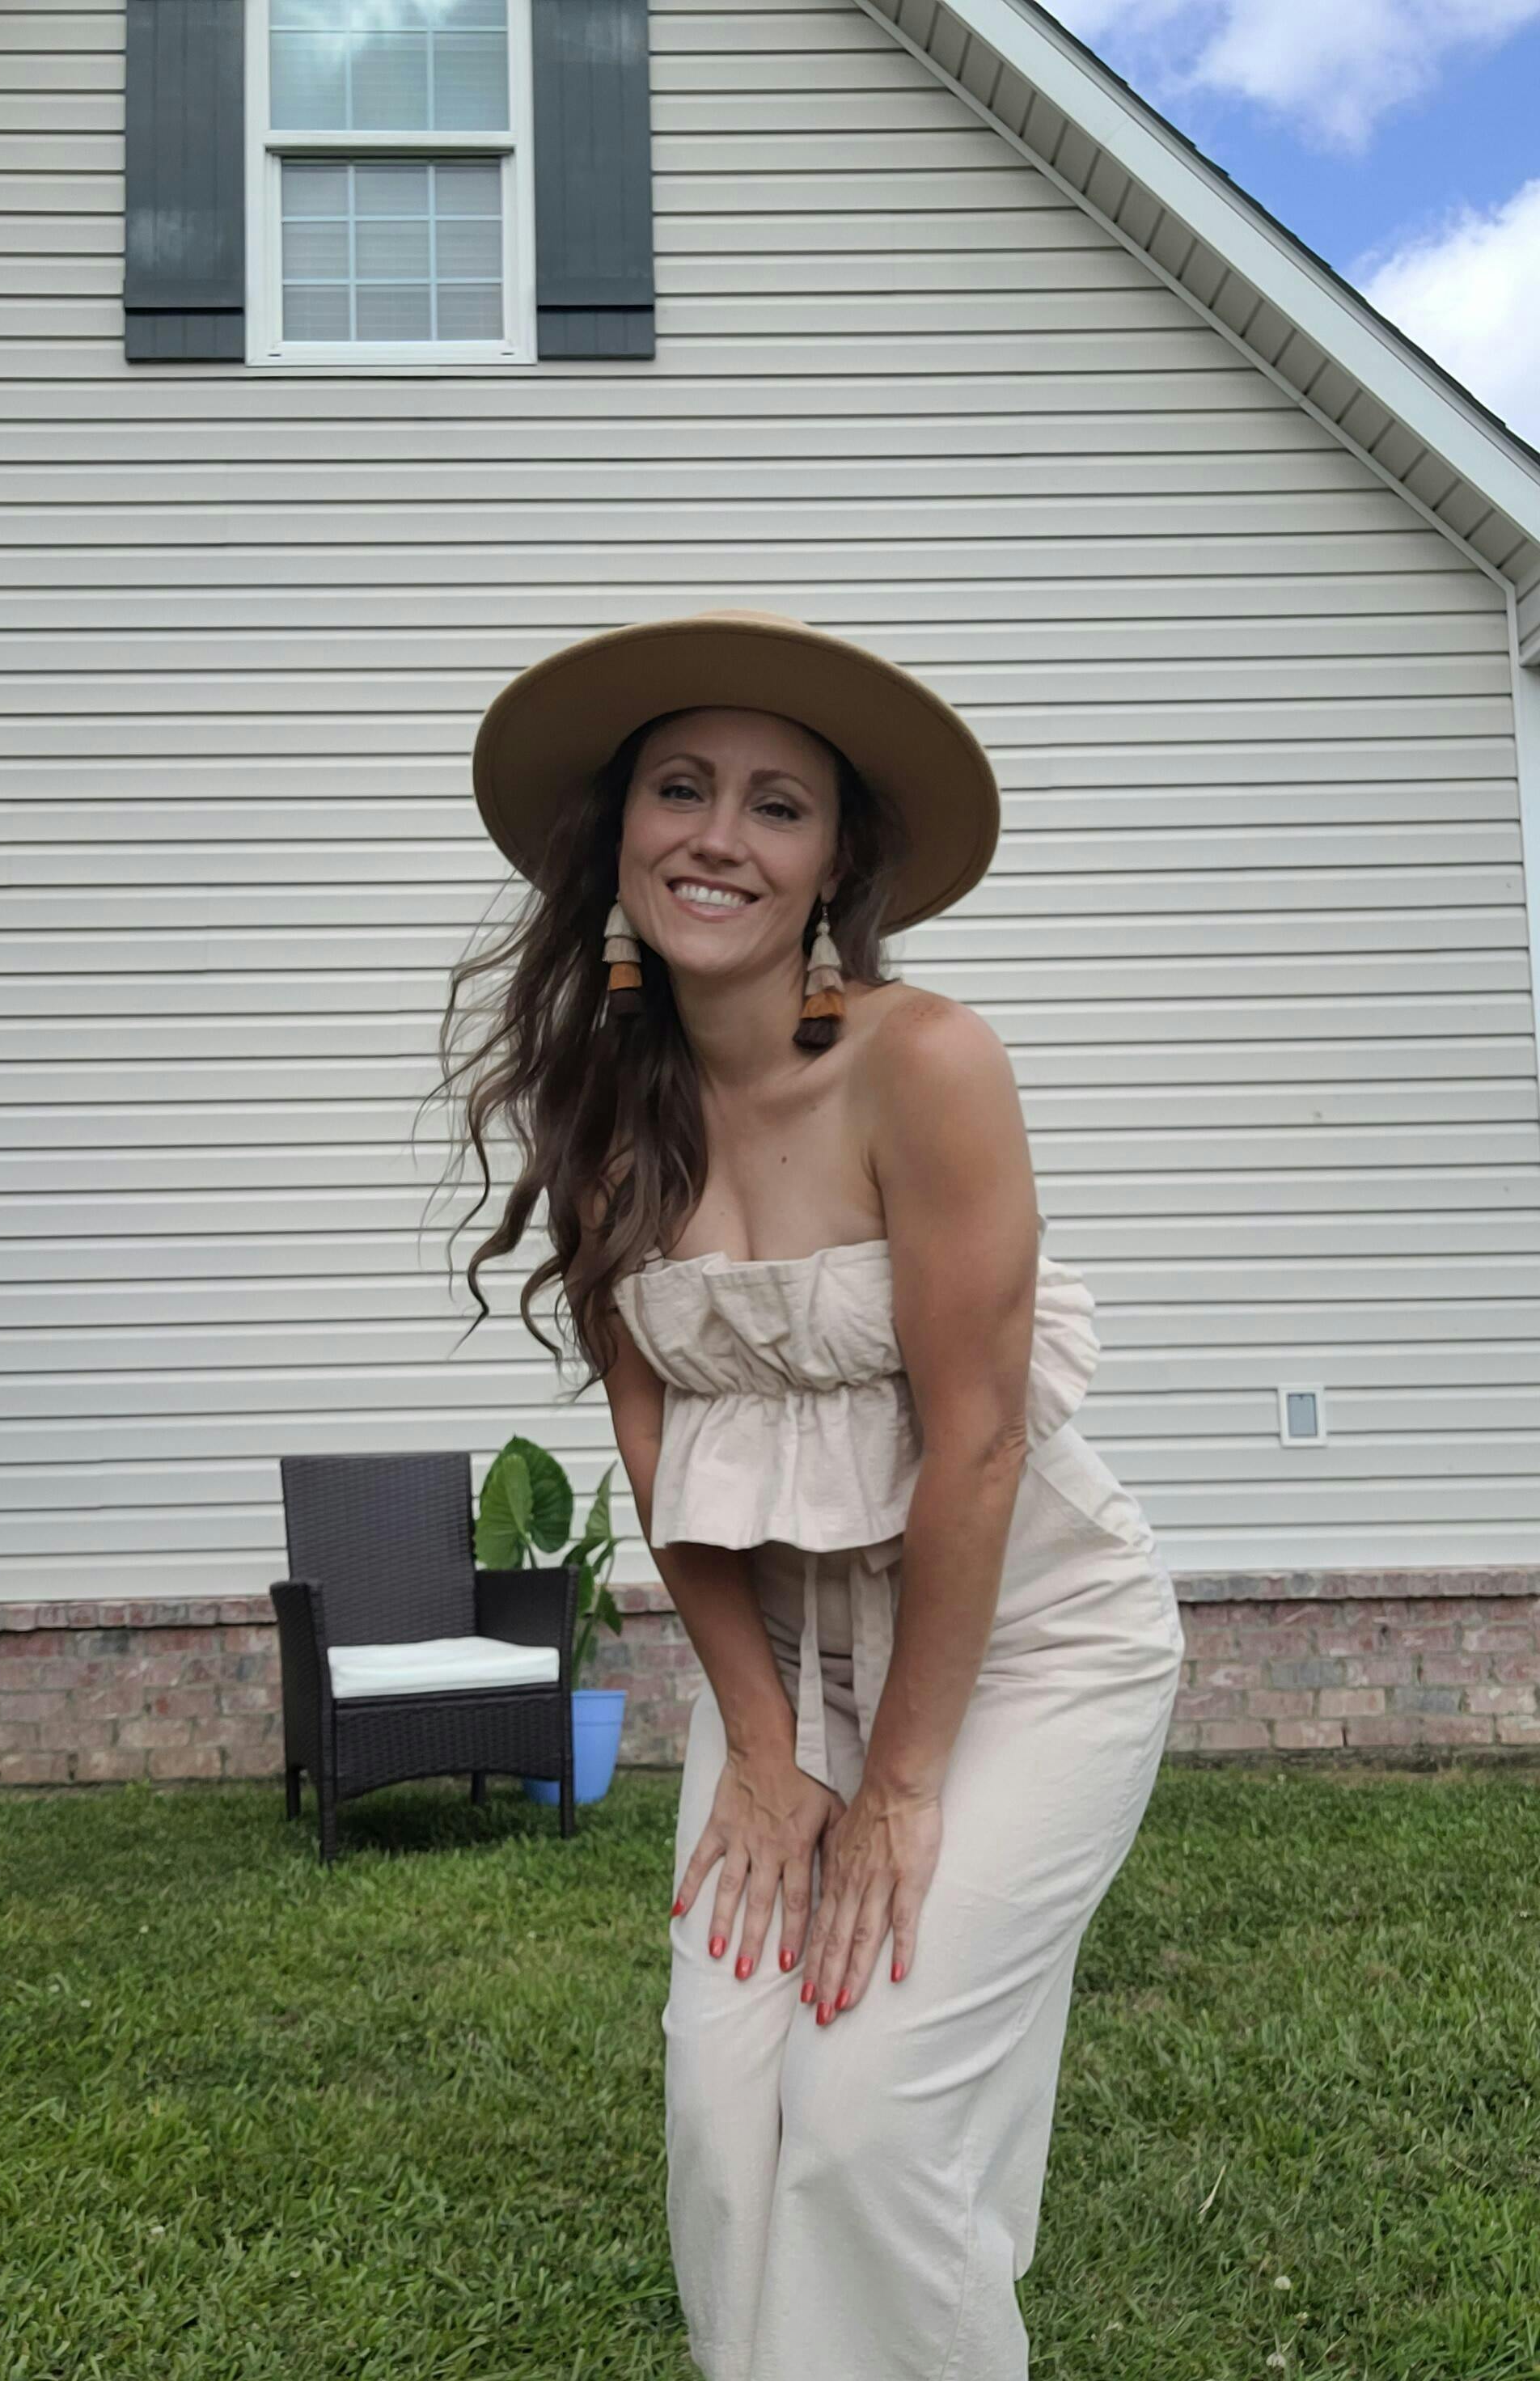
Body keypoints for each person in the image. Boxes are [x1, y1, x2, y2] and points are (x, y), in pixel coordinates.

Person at [450, 609, 1187, 2381]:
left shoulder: (926, 1063)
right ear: (618, 833)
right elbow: (660, 1461)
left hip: (1031, 1643)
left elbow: (980, 1447)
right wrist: (771, 1754)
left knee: (869, 2115)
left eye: (778, 803)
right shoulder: (604, 1109)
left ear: (836, 861)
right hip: (778, 1659)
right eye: (680, 788)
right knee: (727, 2109)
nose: (720, 836)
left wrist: (899, 1789)